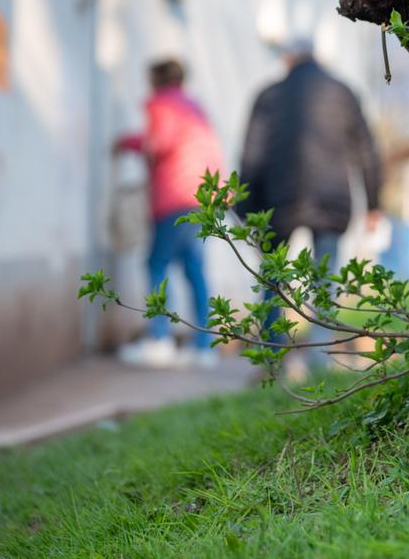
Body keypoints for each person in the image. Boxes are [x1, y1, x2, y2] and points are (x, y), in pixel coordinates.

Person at [237, 38, 383, 350]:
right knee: (324, 280)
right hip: (332, 201)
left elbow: (252, 155)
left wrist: (245, 207)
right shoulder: (343, 92)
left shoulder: (268, 95)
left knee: (272, 277)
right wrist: (373, 203)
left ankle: (272, 353)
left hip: (278, 201)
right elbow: (366, 150)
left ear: (288, 60)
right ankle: (321, 354)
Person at [114, 58, 223, 368]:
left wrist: (127, 143)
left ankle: (160, 339)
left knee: (156, 265)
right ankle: (205, 346)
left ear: (159, 79)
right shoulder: (193, 107)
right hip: (201, 197)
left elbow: (159, 143)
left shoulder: (163, 105)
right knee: (194, 269)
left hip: (174, 196)